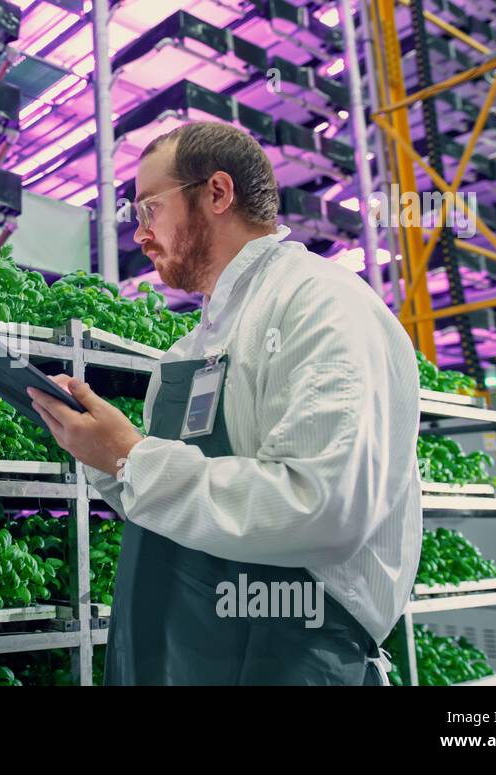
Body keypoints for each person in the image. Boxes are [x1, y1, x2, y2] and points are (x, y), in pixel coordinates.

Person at [28, 122, 421, 685]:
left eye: (149, 210)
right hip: (172, 652)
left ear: (216, 193)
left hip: (287, 656)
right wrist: (99, 455)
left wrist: (129, 459)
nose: (138, 234)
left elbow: (322, 508)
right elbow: (175, 501)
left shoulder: (320, 304)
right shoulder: (189, 349)